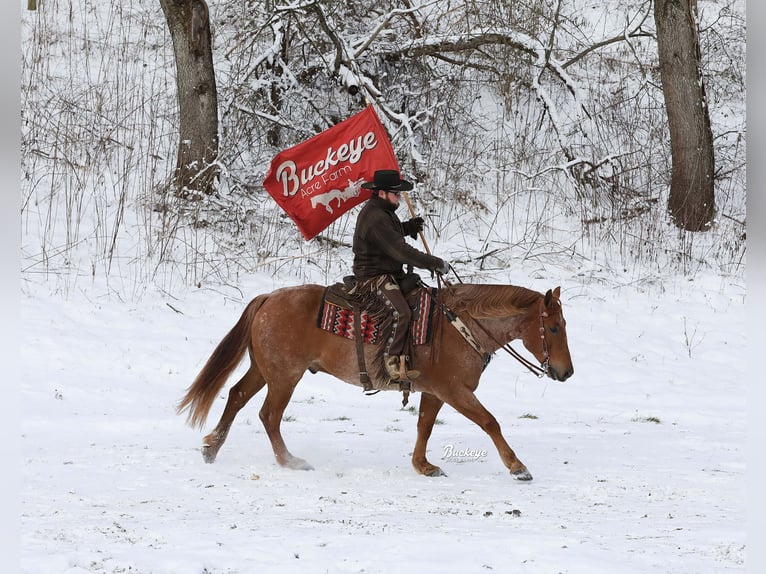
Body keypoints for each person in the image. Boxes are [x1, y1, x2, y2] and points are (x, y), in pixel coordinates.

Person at [352, 169, 450, 382]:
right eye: (395, 193)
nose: (399, 198)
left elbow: (389, 233)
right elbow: (399, 251)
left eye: (398, 193)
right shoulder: (375, 216)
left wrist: (407, 227)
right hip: (373, 278)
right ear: (381, 193)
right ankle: (391, 363)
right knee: (401, 312)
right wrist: (434, 263)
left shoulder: (383, 212)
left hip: (389, 273)